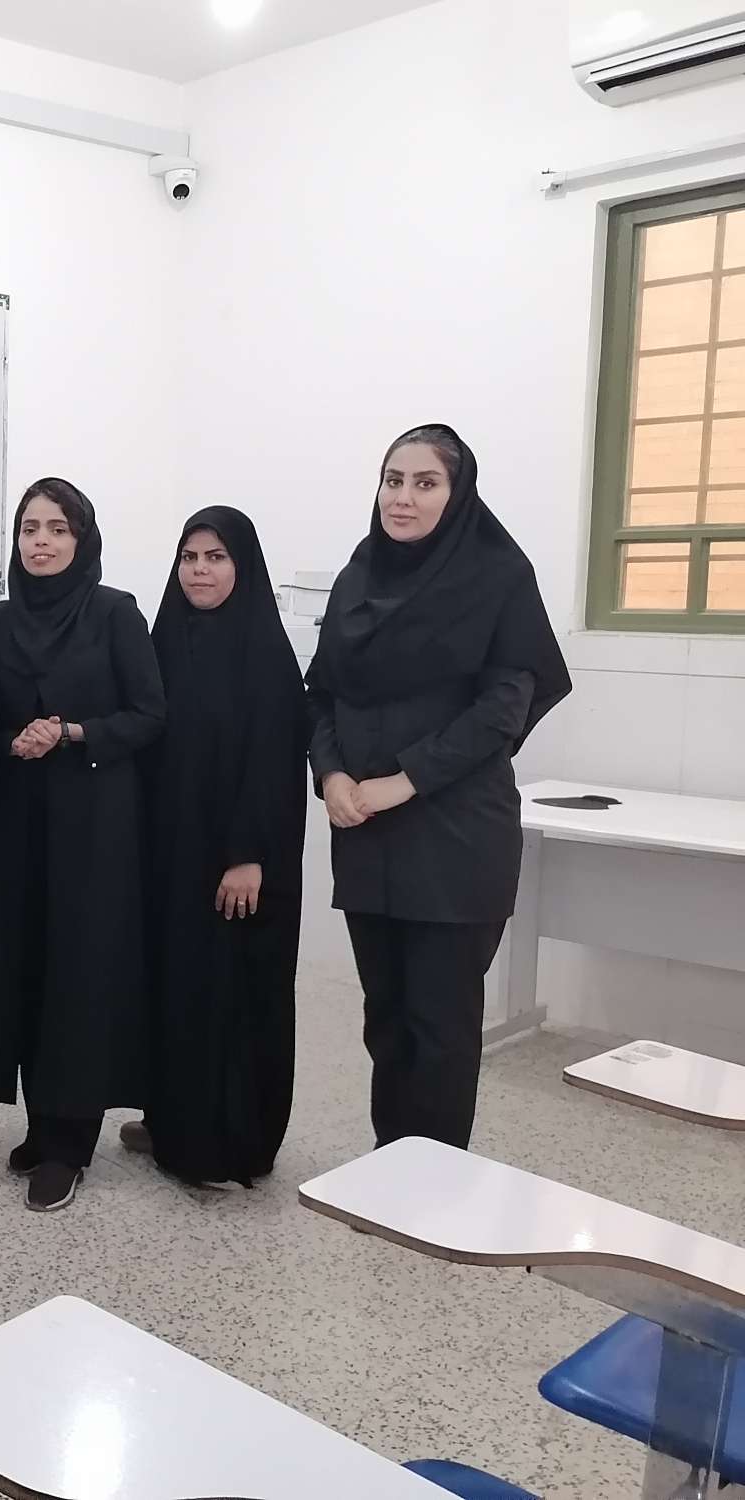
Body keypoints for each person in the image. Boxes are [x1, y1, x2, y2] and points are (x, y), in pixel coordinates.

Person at [307, 425, 569, 1150]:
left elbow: (502, 710)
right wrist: (331, 772)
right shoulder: (359, 577)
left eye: (426, 483)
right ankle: (391, 1166)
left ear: (457, 494)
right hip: (366, 833)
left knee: (440, 1025)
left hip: (456, 838)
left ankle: (437, 1180)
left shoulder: (497, 577)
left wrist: (404, 781)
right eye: (393, 480)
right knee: (386, 1018)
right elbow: (320, 695)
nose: (403, 497)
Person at [0, 479, 165, 1213]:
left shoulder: (115, 614)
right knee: (24, 965)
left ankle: (69, 1142)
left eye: (57, 529)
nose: (41, 542)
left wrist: (73, 732)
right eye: (29, 529)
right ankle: (39, 1122)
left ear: (82, 540)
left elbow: (149, 714)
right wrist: (12, 742)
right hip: (20, 825)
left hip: (95, 827)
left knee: (80, 972)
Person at [131, 508, 308, 1187]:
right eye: (189, 558)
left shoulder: (263, 653)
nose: (199, 571)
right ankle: (172, 1126)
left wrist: (248, 854)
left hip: (239, 860)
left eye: (216, 557)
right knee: (178, 988)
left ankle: (235, 1144)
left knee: (237, 995)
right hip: (173, 854)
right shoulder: (165, 641)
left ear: (244, 566)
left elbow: (273, 762)